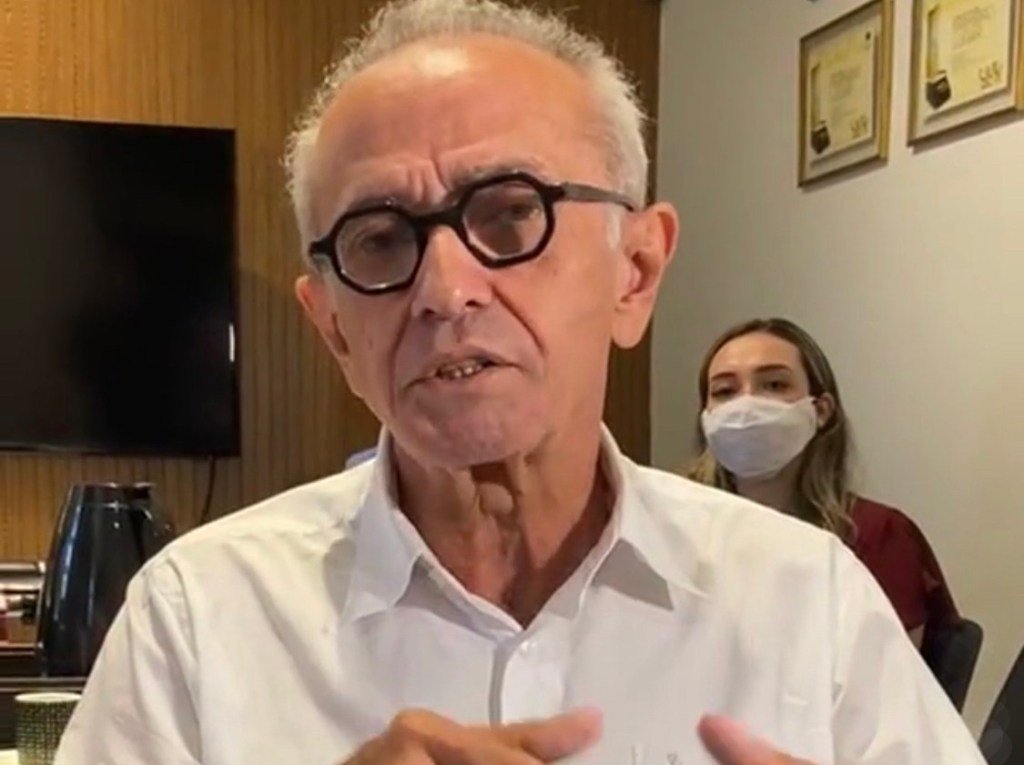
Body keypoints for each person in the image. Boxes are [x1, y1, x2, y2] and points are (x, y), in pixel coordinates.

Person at [55, 1, 984, 763]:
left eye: (510, 213)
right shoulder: (195, 619)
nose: (444, 288)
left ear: (636, 273)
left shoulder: (811, 603)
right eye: (379, 239)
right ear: (333, 325)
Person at [688, 318, 960, 650]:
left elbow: (886, 675)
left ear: (821, 410)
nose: (746, 406)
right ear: (706, 418)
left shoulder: (877, 536)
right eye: (724, 391)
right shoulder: (682, 534)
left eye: (774, 385)